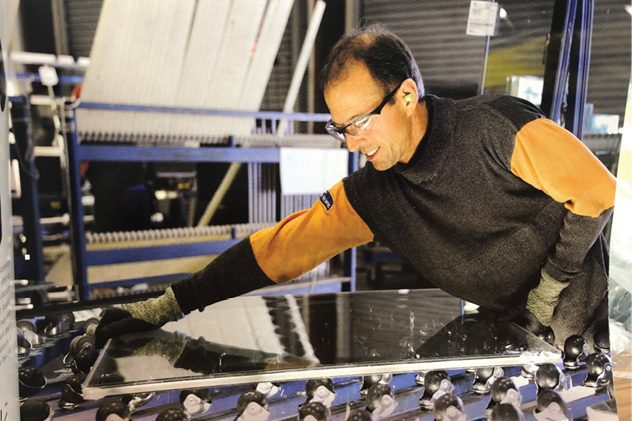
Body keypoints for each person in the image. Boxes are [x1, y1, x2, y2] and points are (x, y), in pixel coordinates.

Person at [96, 25, 616, 350]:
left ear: (407, 96)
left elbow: (598, 192)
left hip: (600, 326)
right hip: (512, 330)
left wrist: (553, 283)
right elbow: (281, 248)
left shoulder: (496, 129)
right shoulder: (374, 195)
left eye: (360, 122)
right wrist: (171, 305)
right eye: (340, 127)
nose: (351, 142)